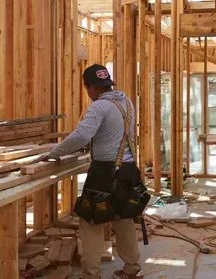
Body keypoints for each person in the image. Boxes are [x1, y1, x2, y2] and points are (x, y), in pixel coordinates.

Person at [42, 64, 145, 279]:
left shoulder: (99, 107)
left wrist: (54, 153)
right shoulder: (126, 102)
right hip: (127, 171)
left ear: (91, 88)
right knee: (123, 217)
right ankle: (132, 269)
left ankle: (91, 274)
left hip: (104, 173)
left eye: (88, 89)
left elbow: (81, 135)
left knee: (90, 220)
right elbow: (112, 134)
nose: (89, 94)